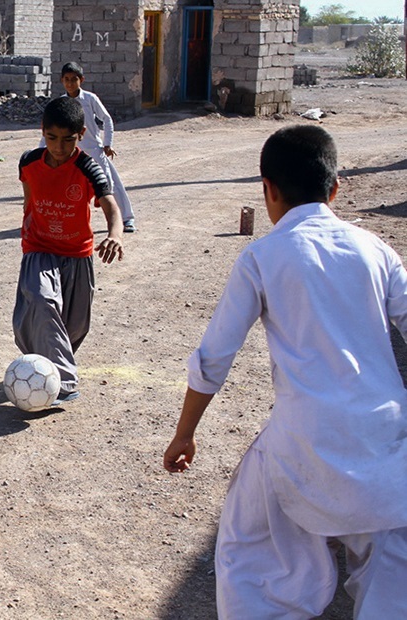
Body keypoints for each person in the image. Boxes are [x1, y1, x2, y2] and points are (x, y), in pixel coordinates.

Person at [163, 125, 407, 619]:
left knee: (249, 547)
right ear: (335, 189)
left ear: (268, 190)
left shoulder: (262, 257)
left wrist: (184, 434)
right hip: (386, 440)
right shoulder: (376, 249)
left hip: (302, 439)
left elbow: (214, 357)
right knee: (392, 574)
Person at [15, 97, 124, 406]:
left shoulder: (88, 168)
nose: (59, 147)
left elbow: (111, 206)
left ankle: (49, 363)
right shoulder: (28, 162)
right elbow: (29, 198)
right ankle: (63, 382)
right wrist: (29, 224)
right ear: (42, 131)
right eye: (52, 138)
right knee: (41, 300)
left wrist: (115, 235)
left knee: (73, 327)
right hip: (39, 247)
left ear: (81, 134)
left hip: (77, 253)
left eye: (68, 139)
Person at [42, 62, 137, 233]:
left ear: (81, 80)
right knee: (65, 187)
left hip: (93, 150)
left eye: (74, 79)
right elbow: (50, 130)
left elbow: (106, 119)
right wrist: (42, 151)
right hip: (70, 153)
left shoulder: (90, 99)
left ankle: (125, 219)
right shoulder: (61, 103)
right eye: (66, 79)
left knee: (109, 184)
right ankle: (59, 220)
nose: (70, 83)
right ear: (61, 80)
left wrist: (107, 144)